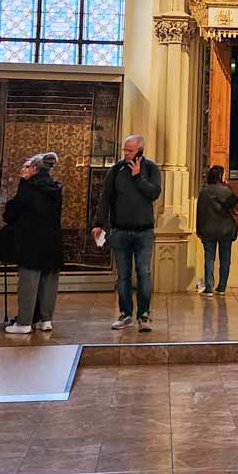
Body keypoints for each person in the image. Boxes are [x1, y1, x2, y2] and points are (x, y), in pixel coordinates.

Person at [93, 135, 162, 331]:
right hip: (120, 231)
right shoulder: (116, 170)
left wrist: (138, 177)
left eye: (130, 150)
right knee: (123, 276)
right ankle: (125, 314)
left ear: (140, 151)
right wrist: (99, 223)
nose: (126, 154)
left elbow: (154, 193)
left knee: (143, 273)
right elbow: (105, 198)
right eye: (125, 150)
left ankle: (144, 315)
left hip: (143, 232)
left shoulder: (151, 169)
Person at [4, 154, 64, 335]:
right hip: (53, 240)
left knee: (28, 282)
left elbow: (11, 213)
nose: (24, 170)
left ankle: (24, 322)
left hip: (30, 241)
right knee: (48, 282)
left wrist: (23, 184)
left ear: (35, 169)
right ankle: (45, 320)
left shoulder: (29, 188)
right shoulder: (55, 188)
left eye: (28, 167)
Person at [196, 165, 238, 297]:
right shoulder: (225, 191)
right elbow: (234, 202)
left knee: (209, 259)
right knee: (225, 259)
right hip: (225, 230)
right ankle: (221, 287)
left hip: (208, 229)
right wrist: (228, 187)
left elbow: (200, 212)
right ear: (220, 176)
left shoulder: (204, 191)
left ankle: (209, 287)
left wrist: (199, 230)